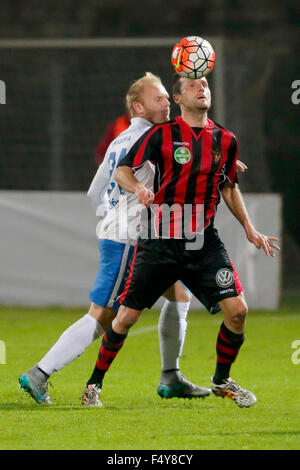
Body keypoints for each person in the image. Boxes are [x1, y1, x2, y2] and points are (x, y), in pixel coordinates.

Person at [18, 73, 212, 406]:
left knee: (179, 292)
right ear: (138, 106)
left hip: (137, 234)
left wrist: (111, 215)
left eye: (168, 97)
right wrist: (123, 221)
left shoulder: (120, 139)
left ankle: (171, 376)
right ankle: (40, 372)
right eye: (159, 98)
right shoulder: (152, 135)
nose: (167, 102)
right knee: (103, 314)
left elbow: (95, 191)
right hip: (128, 236)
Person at [89, 73, 280, 409]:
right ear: (177, 100)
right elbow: (122, 170)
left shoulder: (225, 139)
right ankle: (94, 385)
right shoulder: (160, 135)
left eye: (204, 85)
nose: (201, 88)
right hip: (159, 239)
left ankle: (222, 380)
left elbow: (229, 186)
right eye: (192, 85)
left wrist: (250, 229)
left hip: (201, 241)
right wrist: (138, 188)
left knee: (237, 312)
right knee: (125, 318)